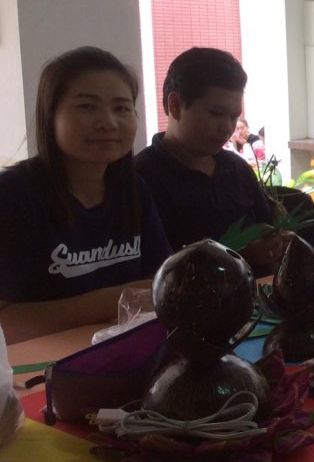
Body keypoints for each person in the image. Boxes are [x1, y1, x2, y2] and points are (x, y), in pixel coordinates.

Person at [0, 47, 171, 342]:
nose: (108, 122)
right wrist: (110, 301)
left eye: (122, 108)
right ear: (50, 115)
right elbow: (7, 324)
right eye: (87, 107)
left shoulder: (133, 189)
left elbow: (161, 284)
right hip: (41, 364)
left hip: (121, 352)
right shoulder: (13, 194)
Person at [135, 47, 287, 277]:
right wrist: (239, 256)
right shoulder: (140, 179)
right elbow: (156, 273)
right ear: (175, 106)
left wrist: (276, 244)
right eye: (216, 113)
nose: (227, 127)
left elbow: (265, 229)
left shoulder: (237, 170)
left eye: (234, 117)